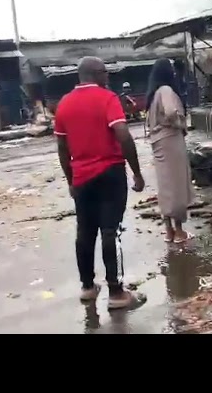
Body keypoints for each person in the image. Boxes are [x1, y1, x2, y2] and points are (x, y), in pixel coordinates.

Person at [54, 56, 146, 310]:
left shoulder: (64, 104)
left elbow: (62, 148)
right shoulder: (108, 99)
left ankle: (87, 287)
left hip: (82, 178)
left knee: (84, 232)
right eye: (105, 73)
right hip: (110, 174)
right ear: (96, 74)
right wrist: (136, 172)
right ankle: (116, 293)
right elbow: (123, 135)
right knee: (110, 231)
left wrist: (71, 180)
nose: (108, 77)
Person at [146, 58, 195, 244]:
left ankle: (169, 231)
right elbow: (171, 112)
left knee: (165, 186)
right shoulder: (166, 90)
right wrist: (181, 124)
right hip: (171, 141)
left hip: (158, 142)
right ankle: (180, 231)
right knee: (177, 185)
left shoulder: (153, 94)